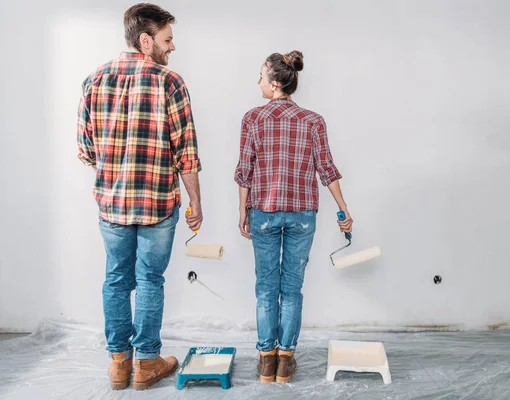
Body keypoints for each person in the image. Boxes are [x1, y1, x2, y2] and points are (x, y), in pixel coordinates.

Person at [76, 3, 203, 390]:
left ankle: (118, 365)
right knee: (149, 280)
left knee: (116, 279)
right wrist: (197, 202)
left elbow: (86, 150)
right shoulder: (170, 82)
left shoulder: (94, 80)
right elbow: (187, 154)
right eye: (167, 39)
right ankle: (146, 364)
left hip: (112, 203)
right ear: (146, 41)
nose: (173, 47)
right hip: (158, 203)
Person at [234, 50, 353, 383]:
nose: (257, 81)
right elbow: (326, 170)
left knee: (266, 289)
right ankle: (285, 359)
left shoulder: (252, 119)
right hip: (302, 215)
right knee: (293, 289)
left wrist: (242, 210)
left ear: (274, 84)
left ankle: (265, 362)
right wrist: (344, 211)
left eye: (260, 76)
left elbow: (245, 171)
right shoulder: (313, 121)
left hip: (264, 213)